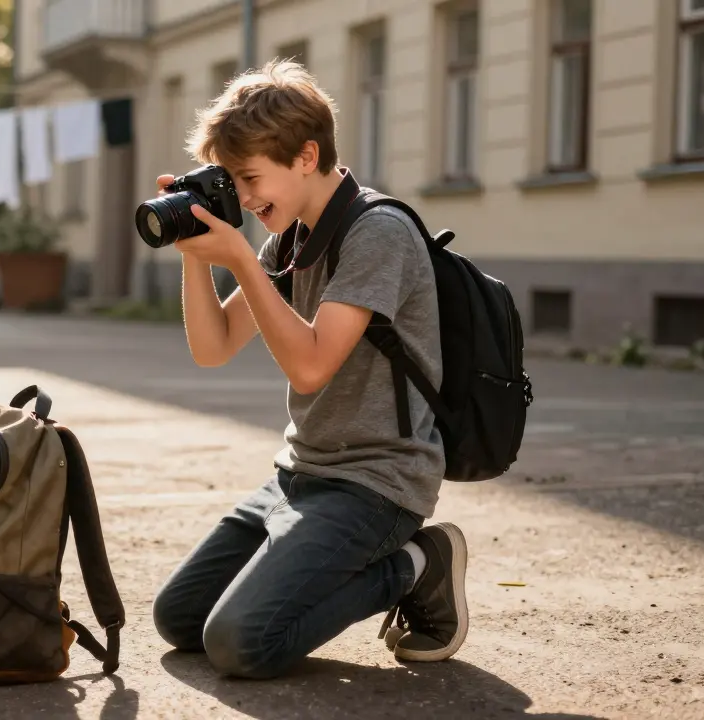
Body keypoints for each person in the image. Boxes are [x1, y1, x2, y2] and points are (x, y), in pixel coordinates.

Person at [150, 59, 468, 679]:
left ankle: (417, 564)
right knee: (179, 618)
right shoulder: (290, 239)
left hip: (376, 482)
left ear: (305, 156)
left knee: (240, 643)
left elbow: (312, 367)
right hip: (300, 475)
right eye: (233, 182)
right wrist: (194, 249)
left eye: (250, 178)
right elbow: (213, 347)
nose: (244, 199)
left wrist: (243, 261)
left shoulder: (379, 232)